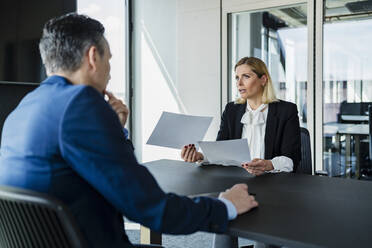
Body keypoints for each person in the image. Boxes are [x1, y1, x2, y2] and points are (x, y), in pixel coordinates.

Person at [0, 14, 258, 248]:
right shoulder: (81, 103)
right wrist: (225, 206)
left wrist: (116, 129)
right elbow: (151, 208)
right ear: (92, 57)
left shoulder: (24, 107)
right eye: (109, 59)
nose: (110, 73)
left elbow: (103, 175)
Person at [181, 57, 301, 247]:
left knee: (264, 237)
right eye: (237, 77)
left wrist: (269, 164)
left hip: (273, 186)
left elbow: (291, 158)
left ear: (263, 79)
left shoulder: (286, 110)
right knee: (222, 221)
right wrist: (201, 156)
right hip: (234, 182)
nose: (239, 83)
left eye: (246, 76)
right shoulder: (232, 110)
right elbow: (221, 149)